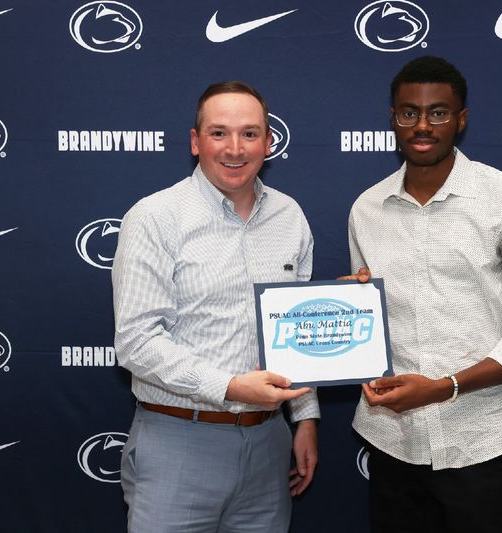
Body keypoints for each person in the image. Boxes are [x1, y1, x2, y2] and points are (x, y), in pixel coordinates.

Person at [343, 56, 502, 532]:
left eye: (438, 113)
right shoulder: (366, 208)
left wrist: (445, 387)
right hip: (390, 437)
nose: (422, 125)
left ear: (461, 120)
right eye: (409, 113)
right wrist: (346, 313)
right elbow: (367, 315)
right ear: (393, 118)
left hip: (478, 437)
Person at [112, 81, 319, 533]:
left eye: (249, 134)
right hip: (178, 442)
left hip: (269, 445)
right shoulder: (155, 217)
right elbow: (136, 343)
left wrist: (304, 419)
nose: (234, 148)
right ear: (195, 142)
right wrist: (230, 387)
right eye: (219, 133)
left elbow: (300, 330)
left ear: (268, 142)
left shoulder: (290, 216)